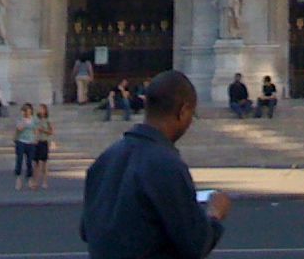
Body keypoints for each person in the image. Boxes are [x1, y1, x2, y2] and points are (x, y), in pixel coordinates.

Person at [80, 70, 231, 259]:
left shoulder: (104, 160)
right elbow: (196, 243)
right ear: (183, 111)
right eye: (193, 114)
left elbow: (86, 230)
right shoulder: (166, 165)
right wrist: (214, 213)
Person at [14, 103, 38, 191]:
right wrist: (24, 121)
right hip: (21, 141)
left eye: (29, 110)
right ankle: (18, 179)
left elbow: (36, 130)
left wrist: (35, 138)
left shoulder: (34, 120)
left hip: (30, 142)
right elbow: (19, 128)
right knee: (19, 160)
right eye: (26, 110)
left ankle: (30, 179)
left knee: (29, 161)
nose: (28, 112)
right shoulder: (20, 119)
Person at [34, 103, 54, 188]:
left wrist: (43, 130)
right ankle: (35, 181)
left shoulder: (47, 120)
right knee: (36, 163)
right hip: (36, 142)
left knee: (44, 163)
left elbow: (51, 132)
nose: (41, 111)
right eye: (40, 109)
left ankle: (45, 181)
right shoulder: (36, 120)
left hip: (44, 142)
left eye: (42, 109)